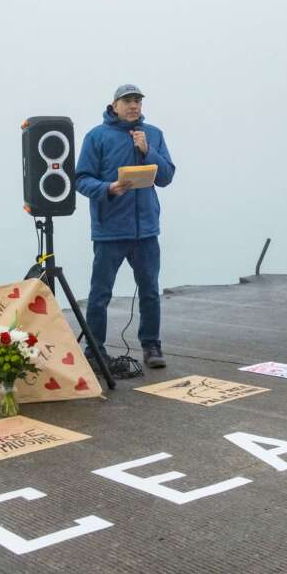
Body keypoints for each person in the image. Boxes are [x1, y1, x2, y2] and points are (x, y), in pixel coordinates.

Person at [75, 84, 176, 369]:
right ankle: (95, 350)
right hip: (110, 230)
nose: (134, 106)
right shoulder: (96, 136)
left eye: (138, 101)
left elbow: (166, 176)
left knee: (149, 290)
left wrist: (148, 152)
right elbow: (81, 179)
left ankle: (151, 345)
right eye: (128, 101)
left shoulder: (153, 135)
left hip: (146, 230)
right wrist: (109, 187)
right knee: (100, 294)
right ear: (114, 105)